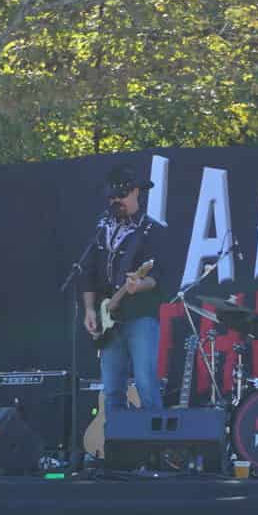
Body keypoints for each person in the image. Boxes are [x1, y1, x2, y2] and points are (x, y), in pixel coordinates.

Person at [83, 165, 168, 417]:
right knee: (111, 389)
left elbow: (159, 275)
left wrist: (139, 284)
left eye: (121, 196)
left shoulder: (151, 230)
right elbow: (87, 273)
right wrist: (89, 309)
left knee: (145, 382)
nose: (115, 201)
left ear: (135, 193)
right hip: (107, 320)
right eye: (112, 197)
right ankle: (116, 447)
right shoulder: (101, 230)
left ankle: (156, 447)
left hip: (140, 315)